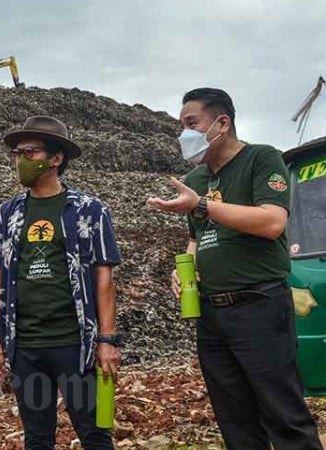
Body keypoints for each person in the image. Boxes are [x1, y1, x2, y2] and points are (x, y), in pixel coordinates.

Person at [147, 87, 322, 449]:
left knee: (282, 413)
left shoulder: (261, 159)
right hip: (212, 314)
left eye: (192, 123)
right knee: (234, 418)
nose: (185, 134)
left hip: (259, 305)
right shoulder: (195, 181)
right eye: (181, 126)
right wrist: (185, 270)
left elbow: (272, 222)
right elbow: (197, 239)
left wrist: (202, 206)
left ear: (222, 123)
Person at [0, 115, 122, 450]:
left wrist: (107, 340)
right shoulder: (8, 213)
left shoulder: (89, 210)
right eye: (17, 153)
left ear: (56, 158)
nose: (21, 160)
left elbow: (104, 278)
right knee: (37, 438)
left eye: (29, 152)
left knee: (95, 434)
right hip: (25, 346)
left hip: (75, 345)